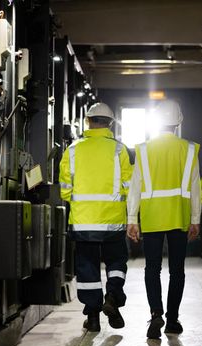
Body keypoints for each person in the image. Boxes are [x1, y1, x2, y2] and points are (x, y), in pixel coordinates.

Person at [126, 99, 201, 339]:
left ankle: (156, 313)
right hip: (179, 217)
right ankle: (172, 320)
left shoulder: (145, 150)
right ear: (179, 122)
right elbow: (195, 187)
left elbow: (135, 186)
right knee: (177, 270)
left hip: (152, 217)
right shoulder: (189, 150)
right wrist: (196, 219)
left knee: (152, 268)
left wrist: (132, 219)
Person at [59, 102, 133, 332]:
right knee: (116, 262)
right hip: (113, 221)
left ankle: (92, 318)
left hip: (83, 222)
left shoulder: (72, 150)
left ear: (88, 121)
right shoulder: (120, 150)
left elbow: (65, 189)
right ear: (110, 123)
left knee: (87, 268)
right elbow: (129, 186)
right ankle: (112, 298)